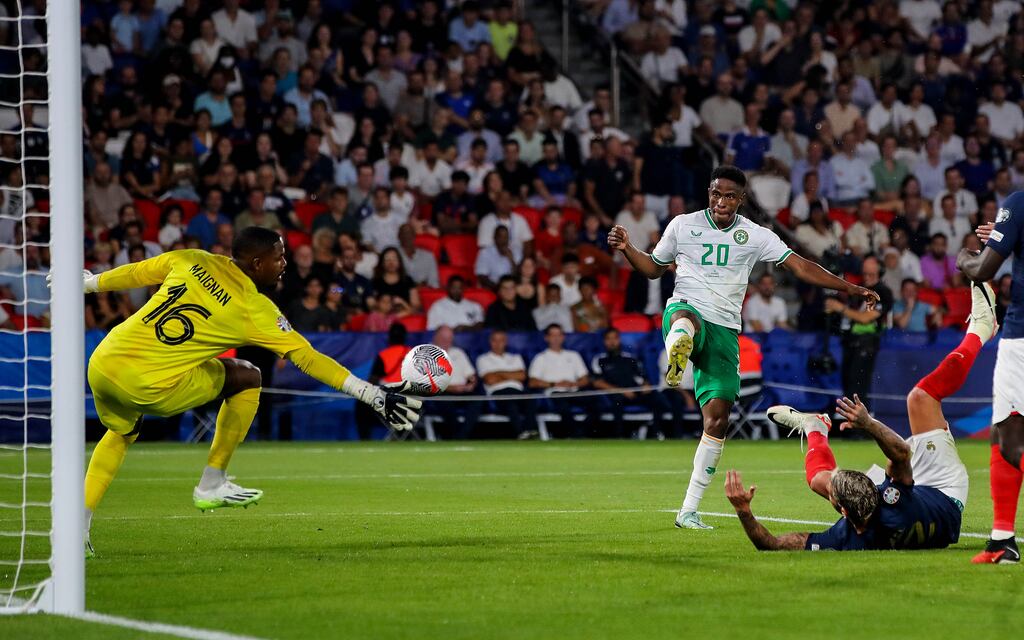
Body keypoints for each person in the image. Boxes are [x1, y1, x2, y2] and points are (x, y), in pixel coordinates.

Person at [69, 227, 421, 557]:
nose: (284, 264)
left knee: (121, 433)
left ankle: (76, 529)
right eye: (278, 258)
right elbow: (308, 358)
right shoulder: (254, 308)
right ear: (256, 264)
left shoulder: (192, 258)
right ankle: (211, 482)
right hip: (148, 386)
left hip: (103, 362)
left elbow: (138, 272)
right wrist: (371, 394)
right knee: (249, 376)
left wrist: (88, 283)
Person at [608, 165, 878, 530]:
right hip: (688, 306)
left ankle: (688, 510)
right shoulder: (682, 225)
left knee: (718, 420)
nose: (721, 202)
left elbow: (800, 266)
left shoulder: (754, 234)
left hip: (725, 329)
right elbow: (655, 268)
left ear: (741, 199)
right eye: (716, 194)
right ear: (709, 193)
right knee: (685, 317)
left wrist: (849, 287)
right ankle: (680, 342)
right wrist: (628, 248)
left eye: (729, 196)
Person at [727, 283, 995, 549]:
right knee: (920, 398)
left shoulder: (845, 537)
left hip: (911, 507)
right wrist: (868, 423)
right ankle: (981, 328)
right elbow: (901, 453)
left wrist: (743, 510)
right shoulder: (893, 499)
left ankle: (815, 427)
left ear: (843, 511)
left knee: (818, 480)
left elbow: (773, 544)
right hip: (944, 491)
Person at [959, 192, 1024, 563]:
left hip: (1022, 339)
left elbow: (983, 270)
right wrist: (1007, 235)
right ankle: (1001, 540)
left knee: (1009, 436)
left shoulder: (1019, 202)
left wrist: (964, 258)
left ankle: (1002, 541)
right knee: (1004, 434)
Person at [825, 256, 893, 417]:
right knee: (848, 382)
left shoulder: (882, 292)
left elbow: (865, 318)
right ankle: (849, 418)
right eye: (865, 270)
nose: (866, 274)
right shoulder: (858, 289)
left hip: (866, 343)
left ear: (879, 271)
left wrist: (840, 308)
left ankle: (860, 422)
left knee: (858, 384)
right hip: (849, 341)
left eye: (870, 271)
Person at [528, 324, 590, 437]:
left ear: (563, 337)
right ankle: (576, 435)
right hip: (554, 392)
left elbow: (585, 379)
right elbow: (533, 382)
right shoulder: (541, 358)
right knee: (563, 405)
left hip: (574, 391)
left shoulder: (574, 355)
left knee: (595, 403)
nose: (556, 338)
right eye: (553, 335)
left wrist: (574, 383)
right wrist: (555, 384)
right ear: (546, 338)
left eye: (559, 335)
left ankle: (585, 432)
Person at [475, 329, 536, 439]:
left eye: (501, 340)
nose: (498, 344)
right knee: (511, 404)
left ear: (506, 342)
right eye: (495, 340)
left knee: (531, 400)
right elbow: (490, 380)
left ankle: (531, 431)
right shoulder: (483, 359)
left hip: (518, 390)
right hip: (498, 392)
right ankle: (521, 433)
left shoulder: (515, 357)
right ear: (490, 342)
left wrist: (498, 373)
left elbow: (522, 376)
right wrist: (512, 374)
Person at [425, 326, 481, 439]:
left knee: (478, 399)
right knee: (444, 401)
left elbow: (470, 374)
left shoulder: (458, 352)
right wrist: (452, 388)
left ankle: (462, 436)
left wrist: (471, 384)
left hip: (462, 390)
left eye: (449, 338)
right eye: (443, 338)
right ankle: (457, 436)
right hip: (442, 391)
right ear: (436, 337)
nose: (447, 341)